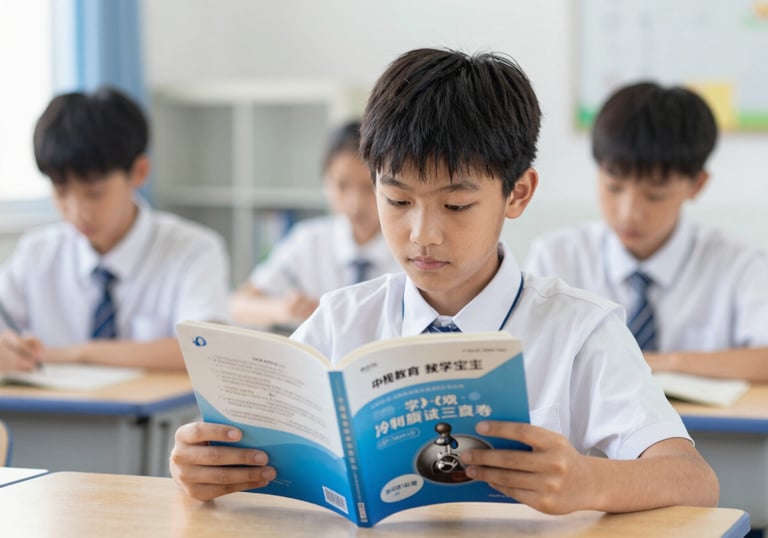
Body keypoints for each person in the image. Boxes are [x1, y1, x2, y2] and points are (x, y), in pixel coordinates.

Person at [170, 49, 718, 513]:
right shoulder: (342, 320)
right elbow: (252, 446)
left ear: (517, 194)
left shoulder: (578, 329)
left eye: (456, 204)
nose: (422, 234)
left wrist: (588, 483)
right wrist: (203, 464)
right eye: (398, 199)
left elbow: (695, 481)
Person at [526, 81, 768, 382]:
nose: (628, 213)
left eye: (655, 195)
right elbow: (528, 358)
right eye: (613, 187)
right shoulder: (557, 258)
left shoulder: (738, 264)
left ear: (697, 185)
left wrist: (663, 362)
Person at [0, 86, 230, 371]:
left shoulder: (193, 250)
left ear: (140, 172)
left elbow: (206, 352)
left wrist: (76, 355)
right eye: (60, 191)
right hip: (46, 413)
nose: (77, 211)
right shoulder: (36, 253)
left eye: (94, 193)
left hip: (157, 415)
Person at [230, 120, 399, 328]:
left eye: (368, 187)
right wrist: (284, 309)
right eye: (342, 185)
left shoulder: (408, 246)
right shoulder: (308, 241)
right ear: (325, 181)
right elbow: (239, 305)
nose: (355, 203)